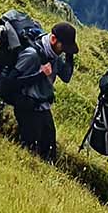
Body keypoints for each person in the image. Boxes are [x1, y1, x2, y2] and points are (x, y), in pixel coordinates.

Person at [7, 21, 78, 159]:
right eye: (63, 46)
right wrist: (40, 75)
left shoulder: (54, 55)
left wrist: (70, 55)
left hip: (42, 106)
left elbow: (66, 76)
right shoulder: (32, 55)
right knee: (30, 149)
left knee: (49, 150)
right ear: (53, 39)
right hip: (27, 105)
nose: (63, 50)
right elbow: (11, 82)